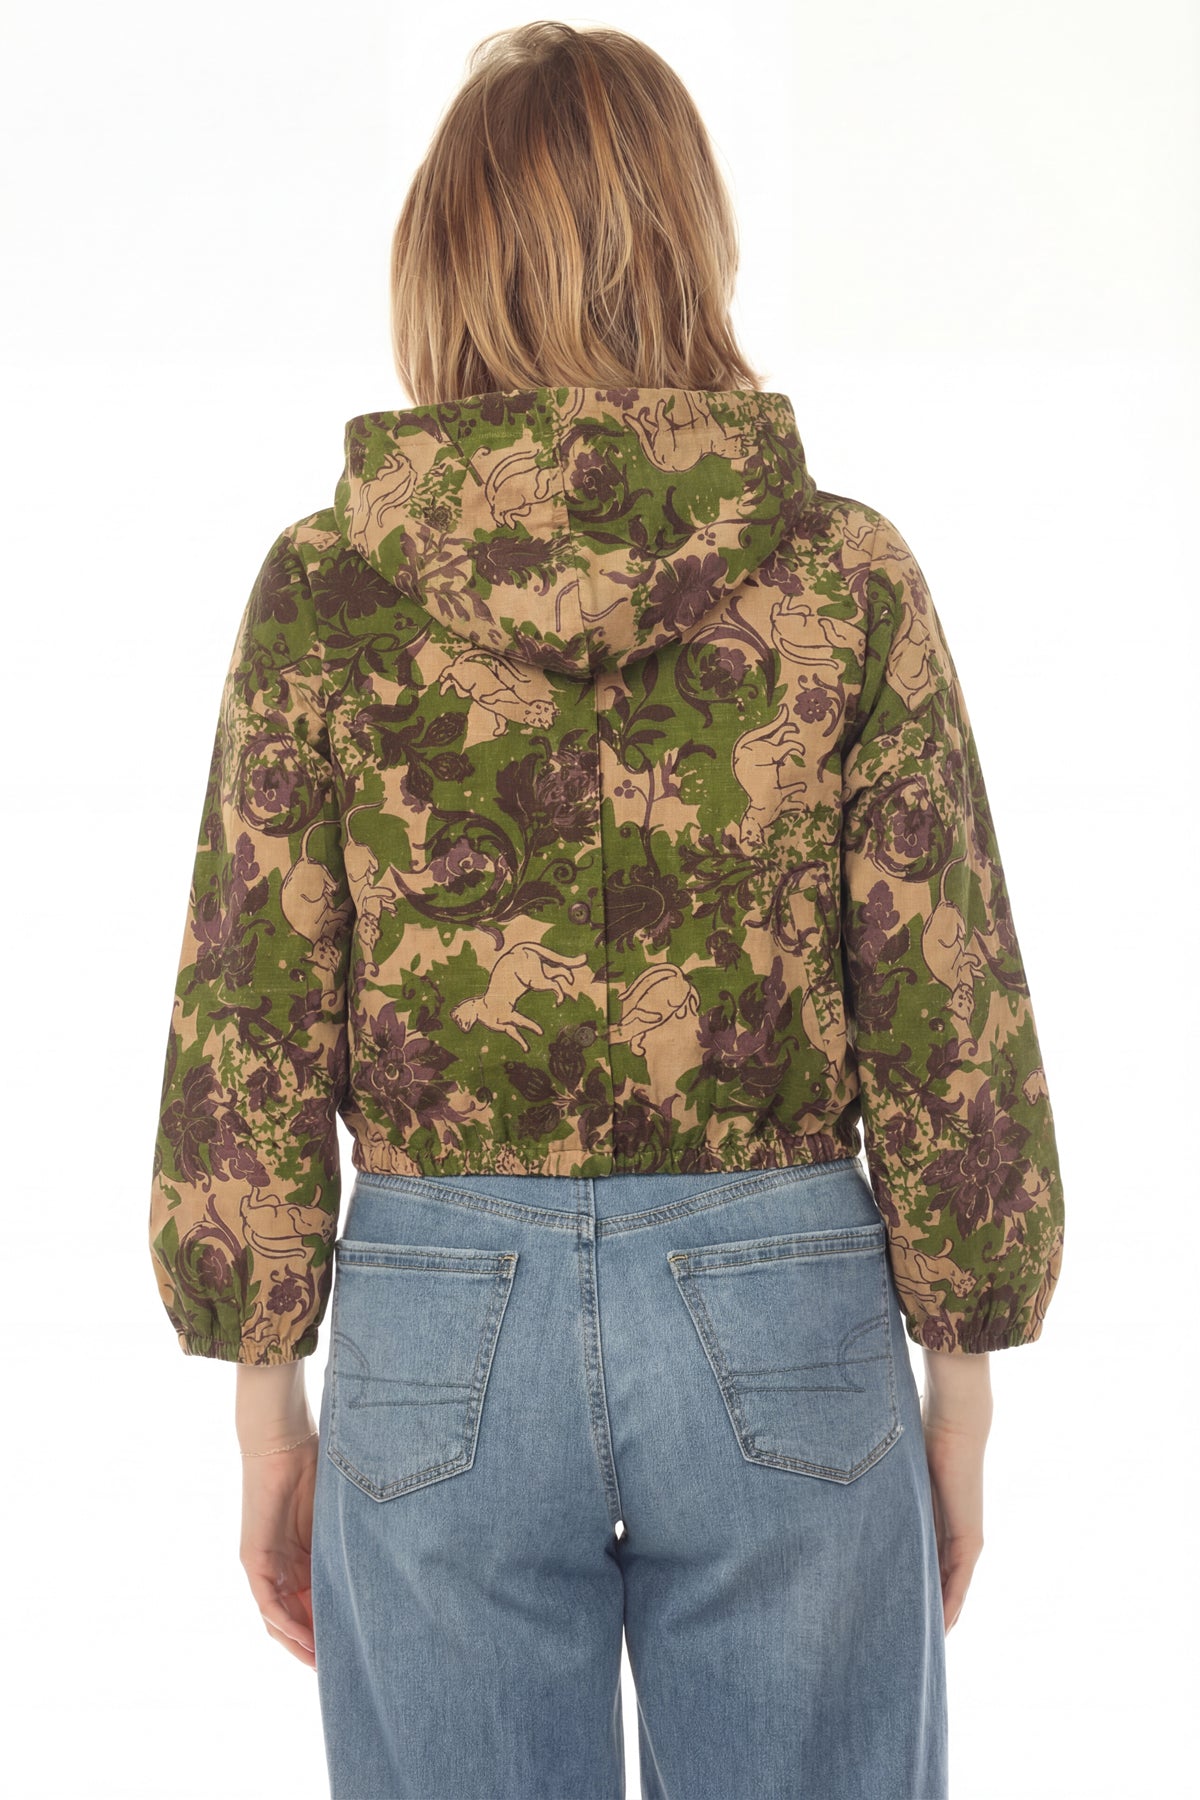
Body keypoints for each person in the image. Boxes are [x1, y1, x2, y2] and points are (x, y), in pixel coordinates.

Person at [147, 20, 1066, 1799]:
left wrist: (265, 1407)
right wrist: (963, 1387)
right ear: (688, 242)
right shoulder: (844, 574)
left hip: (437, 1322)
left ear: (444, 256)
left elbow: (246, 1009)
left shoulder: (328, 591)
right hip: (788, 1306)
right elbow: (946, 998)